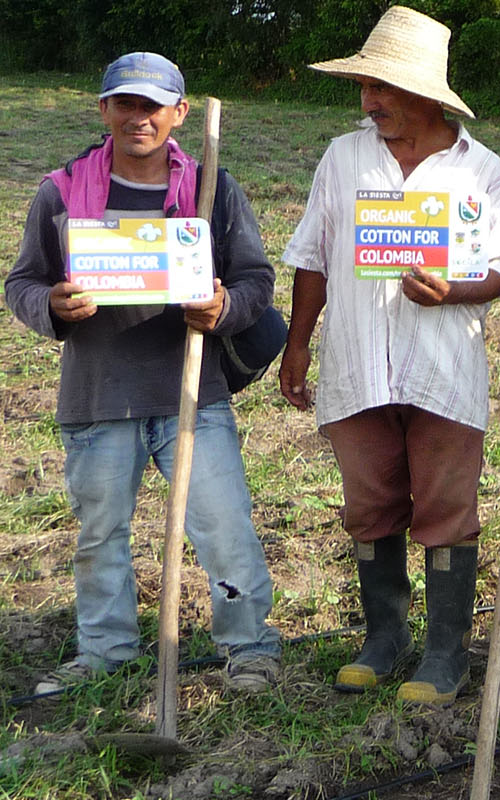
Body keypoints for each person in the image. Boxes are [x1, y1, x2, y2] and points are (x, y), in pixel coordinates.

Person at [5, 51, 282, 695]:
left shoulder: (210, 189)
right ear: (103, 110)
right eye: (125, 104)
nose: (139, 118)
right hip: (98, 397)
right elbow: (21, 282)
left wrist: (224, 308)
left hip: (192, 391)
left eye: (152, 106)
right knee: (101, 534)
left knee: (224, 526)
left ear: (179, 113)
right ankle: (104, 652)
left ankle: (249, 648)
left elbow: (255, 280)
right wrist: (51, 304)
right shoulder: (60, 192)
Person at [277, 6, 500, 706]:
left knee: (447, 507)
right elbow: (313, 257)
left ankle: (446, 652)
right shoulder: (344, 157)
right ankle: (384, 638)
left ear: (429, 94)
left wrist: (452, 294)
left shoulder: (482, 169)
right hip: (357, 362)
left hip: (443, 368)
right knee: (369, 504)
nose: (369, 101)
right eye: (365, 87)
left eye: (382, 88)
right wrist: (298, 345)